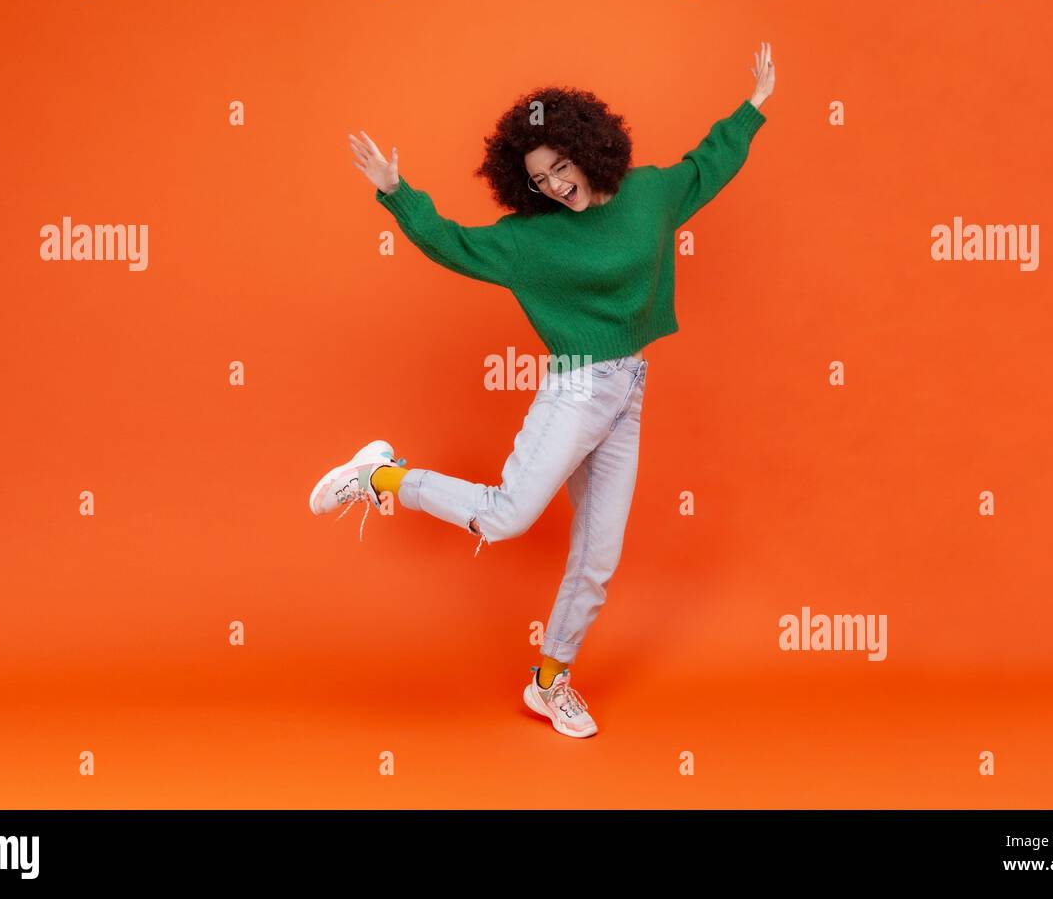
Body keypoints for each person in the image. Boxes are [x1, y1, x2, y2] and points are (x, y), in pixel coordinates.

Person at [310, 44, 776, 738]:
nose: (556, 185)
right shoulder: (530, 241)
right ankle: (379, 474)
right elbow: (450, 244)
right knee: (505, 517)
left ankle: (550, 683)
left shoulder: (650, 194)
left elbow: (706, 167)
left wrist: (754, 106)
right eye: (540, 178)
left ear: (591, 149)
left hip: (628, 392)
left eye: (562, 166)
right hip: (576, 389)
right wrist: (395, 192)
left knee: (598, 558)